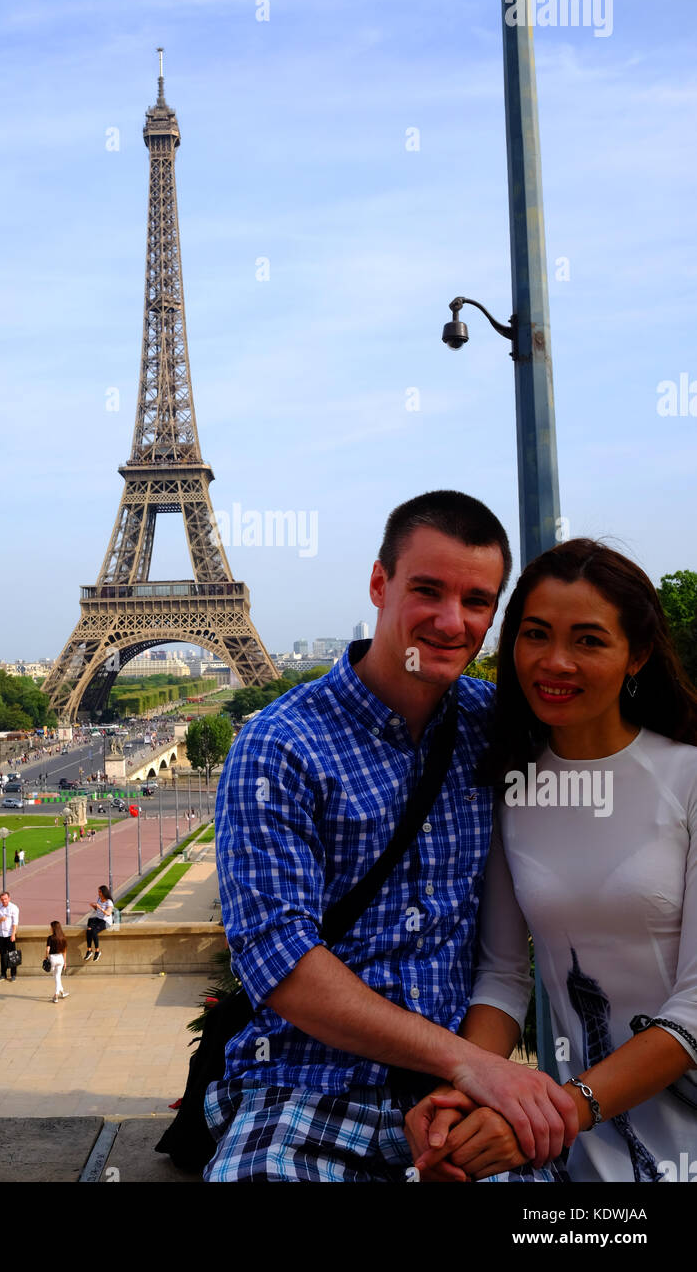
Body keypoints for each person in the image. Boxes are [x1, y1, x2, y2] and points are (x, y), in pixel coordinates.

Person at [204, 491, 577, 1183]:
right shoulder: (277, 745)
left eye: (476, 601)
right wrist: (468, 1063)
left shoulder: (495, 727)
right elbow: (278, 957)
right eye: (427, 591)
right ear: (379, 584)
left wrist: (466, 1090)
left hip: (452, 1098)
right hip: (303, 1086)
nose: (449, 620)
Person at [406, 539, 697, 1183]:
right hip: (584, 1139)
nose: (555, 661)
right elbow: (504, 977)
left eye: (588, 640)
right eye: (535, 634)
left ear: (638, 655)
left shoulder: (689, 780)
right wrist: (467, 1091)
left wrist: (557, 1112)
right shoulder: (514, 788)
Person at [83, 886, 114, 962]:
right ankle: (89, 950)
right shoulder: (99, 899)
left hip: (106, 922)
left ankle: (97, 951)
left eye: (99, 892)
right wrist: (94, 907)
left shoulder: (109, 902)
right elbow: (97, 910)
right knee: (89, 930)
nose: (98, 893)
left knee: (94, 932)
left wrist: (100, 907)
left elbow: (108, 913)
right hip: (98, 919)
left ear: (103, 892)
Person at [0, 891, 19, 980]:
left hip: (9, 934)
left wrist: (13, 934)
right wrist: (1, 919)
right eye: (2, 899)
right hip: (0, 934)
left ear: (9, 898)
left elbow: (15, 923)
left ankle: (13, 974)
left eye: (5, 899)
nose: (4, 901)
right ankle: (3, 974)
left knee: (12, 955)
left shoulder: (14, 908)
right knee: (3, 955)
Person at [45, 921, 69, 1001]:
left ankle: (56, 995)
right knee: (57, 976)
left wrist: (45, 957)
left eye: (51, 927)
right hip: (60, 958)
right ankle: (62, 992)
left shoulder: (50, 938)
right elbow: (65, 951)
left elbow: (47, 949)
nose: (50, 928)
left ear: (53, 928)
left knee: (56, 977)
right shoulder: (63, 937)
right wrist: (65, 962)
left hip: (52, 958)